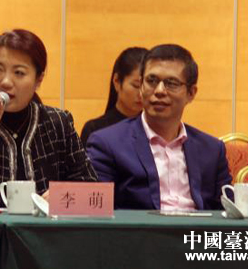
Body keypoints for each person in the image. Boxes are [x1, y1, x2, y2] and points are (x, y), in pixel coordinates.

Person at [0, 29, 97, 209]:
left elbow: (93, 193)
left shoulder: (58, 123)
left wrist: (61, 197)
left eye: (19, 73)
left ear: (39, 80)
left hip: (43, 227)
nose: (5, 82)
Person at [87, 44, 231, 210]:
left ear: (191, 93)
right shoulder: (107, 143)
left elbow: (228, 211)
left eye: (172, 83)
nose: (160, 90)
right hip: (140, 227)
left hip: (196, 227)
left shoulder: (212, 150)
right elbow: (96, 210)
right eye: (152, 81)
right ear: (141, 86)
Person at [80, 47, 148, 146]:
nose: (141, 93)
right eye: (136, 85)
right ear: (116, 81)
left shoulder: (155, 129)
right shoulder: (95, 130)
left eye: (147, 86)